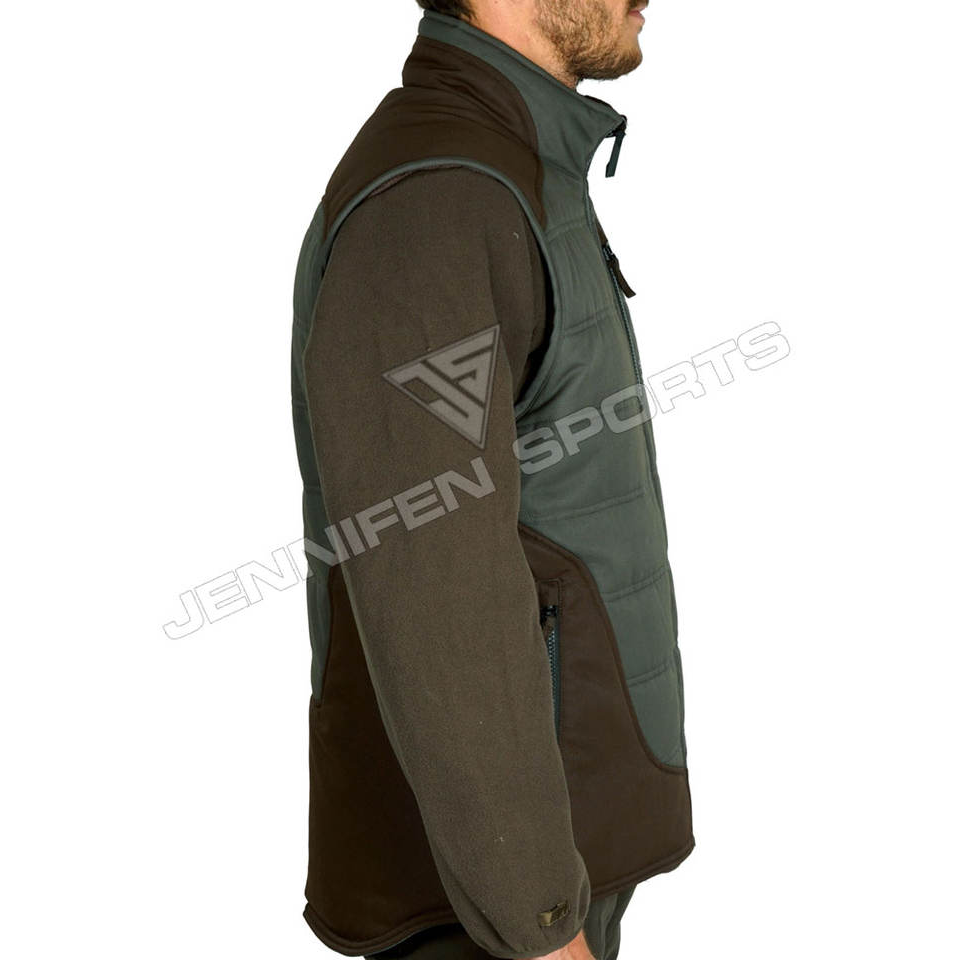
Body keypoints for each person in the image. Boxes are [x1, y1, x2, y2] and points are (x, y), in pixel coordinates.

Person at [290, 2, 694, 958]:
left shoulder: (514, 168)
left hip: (548, 858)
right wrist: (540, 919)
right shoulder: (438, 202)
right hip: (486, 909)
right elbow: (436, 593)